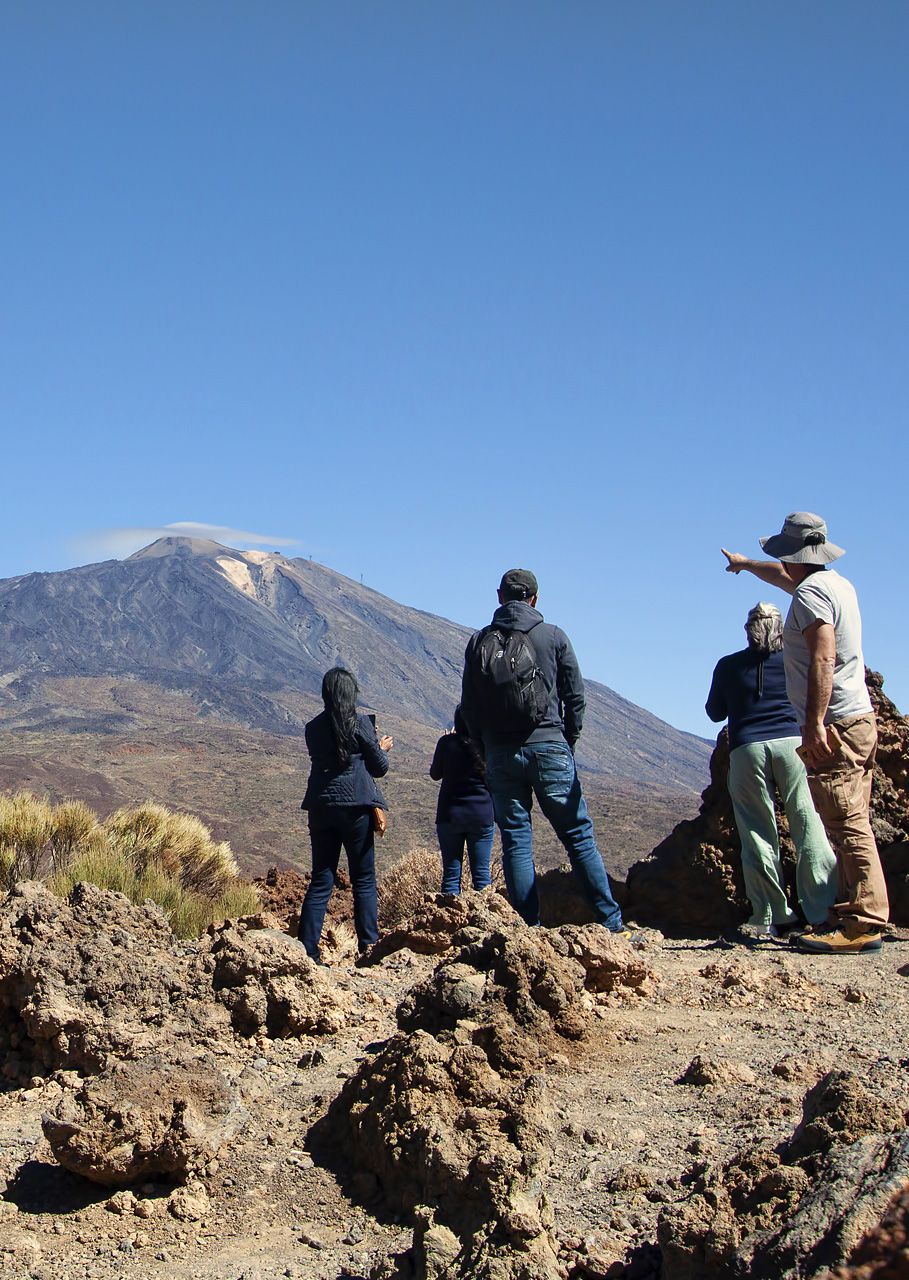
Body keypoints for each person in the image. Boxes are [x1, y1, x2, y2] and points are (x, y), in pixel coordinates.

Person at [722, 512, 889, 954]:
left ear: (794, 556)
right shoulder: (836, 585)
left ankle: (863, 922)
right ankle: (849, 913)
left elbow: (822, 657)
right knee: (843, 819)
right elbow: (781, 578)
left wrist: (814, 723)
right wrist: (745, 564)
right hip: (858, 718)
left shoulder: (813, 594)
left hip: (835, 722)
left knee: (845, 821)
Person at [460, 568, 627, 932]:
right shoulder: (553, 636)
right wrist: (568, 740)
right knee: (578, 836)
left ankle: (527, 931)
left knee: (517, 841)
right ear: (535, 599)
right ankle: (612, 924)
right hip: (550, 746)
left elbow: (468, 707)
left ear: (500, 597)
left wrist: (484, 749)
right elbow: (576, 696)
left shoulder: (478, 642)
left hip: (500, 754)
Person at [706, 602, 837, 942]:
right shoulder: (797, 660)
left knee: (757, 832)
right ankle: (822, 910)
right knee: (808, 823)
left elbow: (714, 713)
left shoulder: (728, 665)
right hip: (795, 746)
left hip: (747, 749)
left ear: (749, 629)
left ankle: (770, 914)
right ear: (782, 628)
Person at [297, 667, 392, 963]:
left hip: (321, 806)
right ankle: (369, 948)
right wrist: (379, 746)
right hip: (356, 809)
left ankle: (307, 951)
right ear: (351, 695)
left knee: (321, 879)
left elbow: (333, 756)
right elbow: (380, 768)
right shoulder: (361, 725)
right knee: (363, 880)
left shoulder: (312, 728)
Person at [430, 705, 495, 894]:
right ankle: (486, 920)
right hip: (481, 815)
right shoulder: (486, 745)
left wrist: (448, 742)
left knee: (450, 876)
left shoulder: (446, 743)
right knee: (482, 876)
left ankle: (448, 919)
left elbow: (435, 774)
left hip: (450, 816)